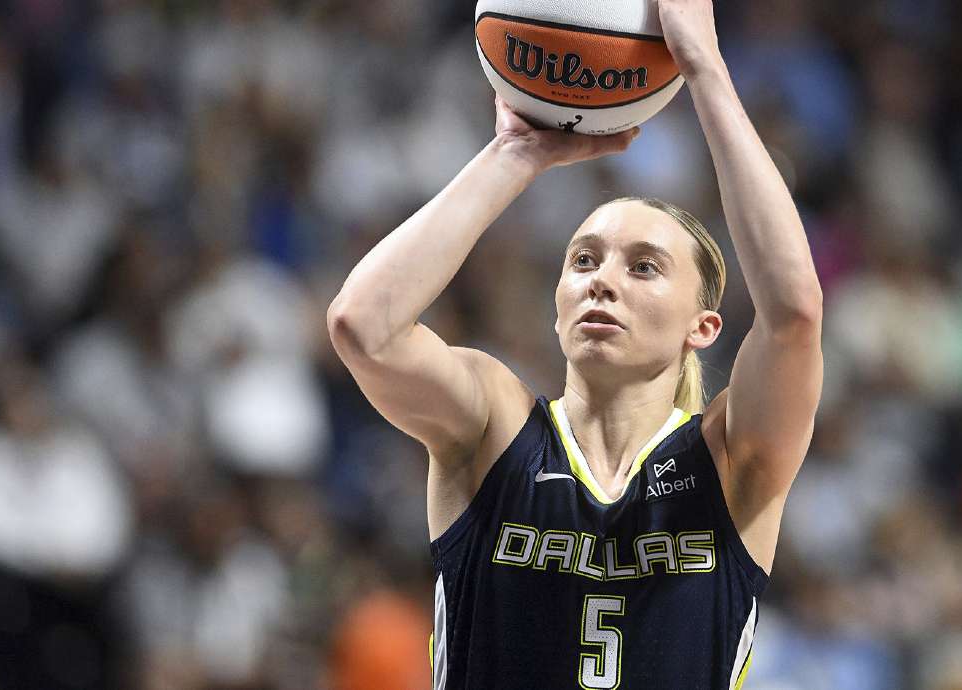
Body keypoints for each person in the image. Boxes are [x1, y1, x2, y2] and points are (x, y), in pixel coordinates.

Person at [327, 1, 824, 687]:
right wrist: (513, 154)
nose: (602, 282)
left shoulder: (731, 459)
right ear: (556, 304)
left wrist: (705, 69)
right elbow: (363, 325)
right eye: (584, 260)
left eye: (643, 266)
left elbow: (794, 312)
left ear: (702, 327)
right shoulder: (495, 428)